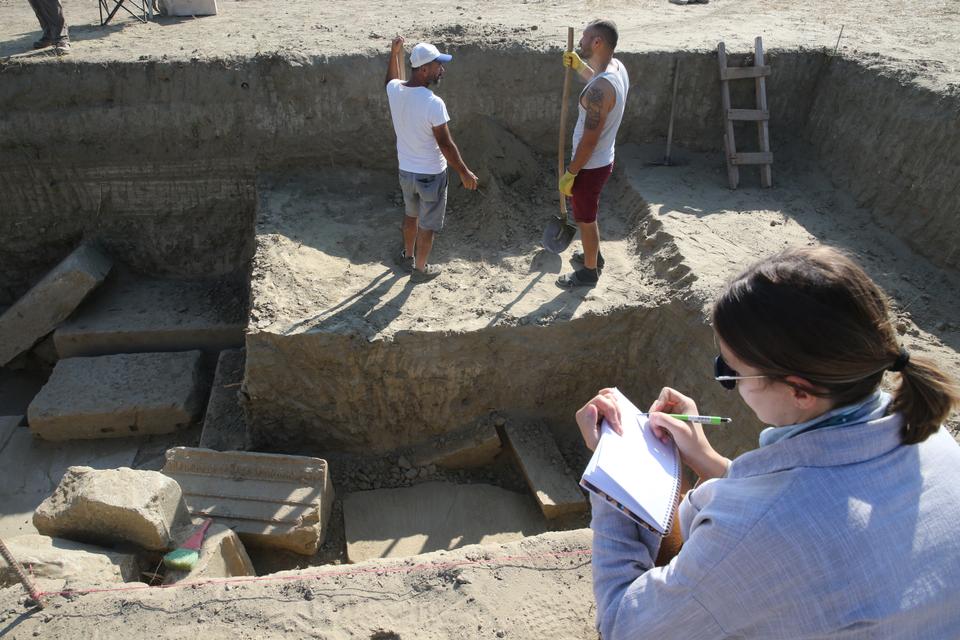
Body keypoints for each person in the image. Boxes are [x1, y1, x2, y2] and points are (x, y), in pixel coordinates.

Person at [575, 245, 960, 638]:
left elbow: (626, 627)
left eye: (731, 373)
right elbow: (816, 495)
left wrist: (615, 483)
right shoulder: (929, 434)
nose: (727, 381)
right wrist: (708, 460)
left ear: (800, 392)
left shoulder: (761, 534)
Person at [384, 37, 478, 282]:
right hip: (431, 176)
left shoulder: (395, 92)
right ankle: (421, 269)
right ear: (424, 69)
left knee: (410, 215)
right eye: (438, 66)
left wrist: (393, 55)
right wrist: (464, 172)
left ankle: (407, 255)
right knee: (428, 225)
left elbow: (390, 80)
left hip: (406, 172)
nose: (442, 70)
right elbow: (445, 144)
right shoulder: (433, 103)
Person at [556, 20, 629, 289]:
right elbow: (600, 83)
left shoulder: (600, 91)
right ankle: (592, 254)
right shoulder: (616, 68)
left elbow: (588, 141)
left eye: (585, 38)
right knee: (587, 214)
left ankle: (590, 271)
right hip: (602, 159)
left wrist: (571, 173)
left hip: (590, 164)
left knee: (585, 218)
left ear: (597, 43)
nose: (581, 42)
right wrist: (579, 67)